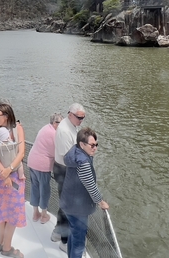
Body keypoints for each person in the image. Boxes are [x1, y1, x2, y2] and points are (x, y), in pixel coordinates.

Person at [60, 127, 109, 258]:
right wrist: (101, 201)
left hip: (68, 203)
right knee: (79, 244)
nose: (95, 148)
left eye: (96, 145)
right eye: (92, 145)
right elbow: (91, 186)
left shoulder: (74, 152)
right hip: (78, 209)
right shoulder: (83, 163)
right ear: (82, 144)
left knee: (72, 235)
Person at [0, 103, 26, 258]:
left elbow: (21, 153)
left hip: (14, 175)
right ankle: (2, 243)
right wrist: (4, 173)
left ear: (7, 116)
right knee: (1, 211)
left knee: (13, 212)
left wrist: (9, 170)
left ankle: (5, 245)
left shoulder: (18, 130)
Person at [52, 103, 86, 252]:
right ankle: (64, 243)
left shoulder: (72, 125)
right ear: (70, 114)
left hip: (64, 169)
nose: (81, 120)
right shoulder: (65, 131)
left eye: (83, 118)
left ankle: (57, 232)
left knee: (64, 203)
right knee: (69, 206)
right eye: (79, 117)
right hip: (64, 170)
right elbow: (69, 158)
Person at [28, 113, 63, 224]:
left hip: (32, 161)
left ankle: (35, 213)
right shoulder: (54, 134)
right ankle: (43, 215)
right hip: (42, 166)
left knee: (35, 187)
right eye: (60, 123)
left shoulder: (45, 128)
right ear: (54, 123)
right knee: (44, 190)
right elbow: (58, 153)